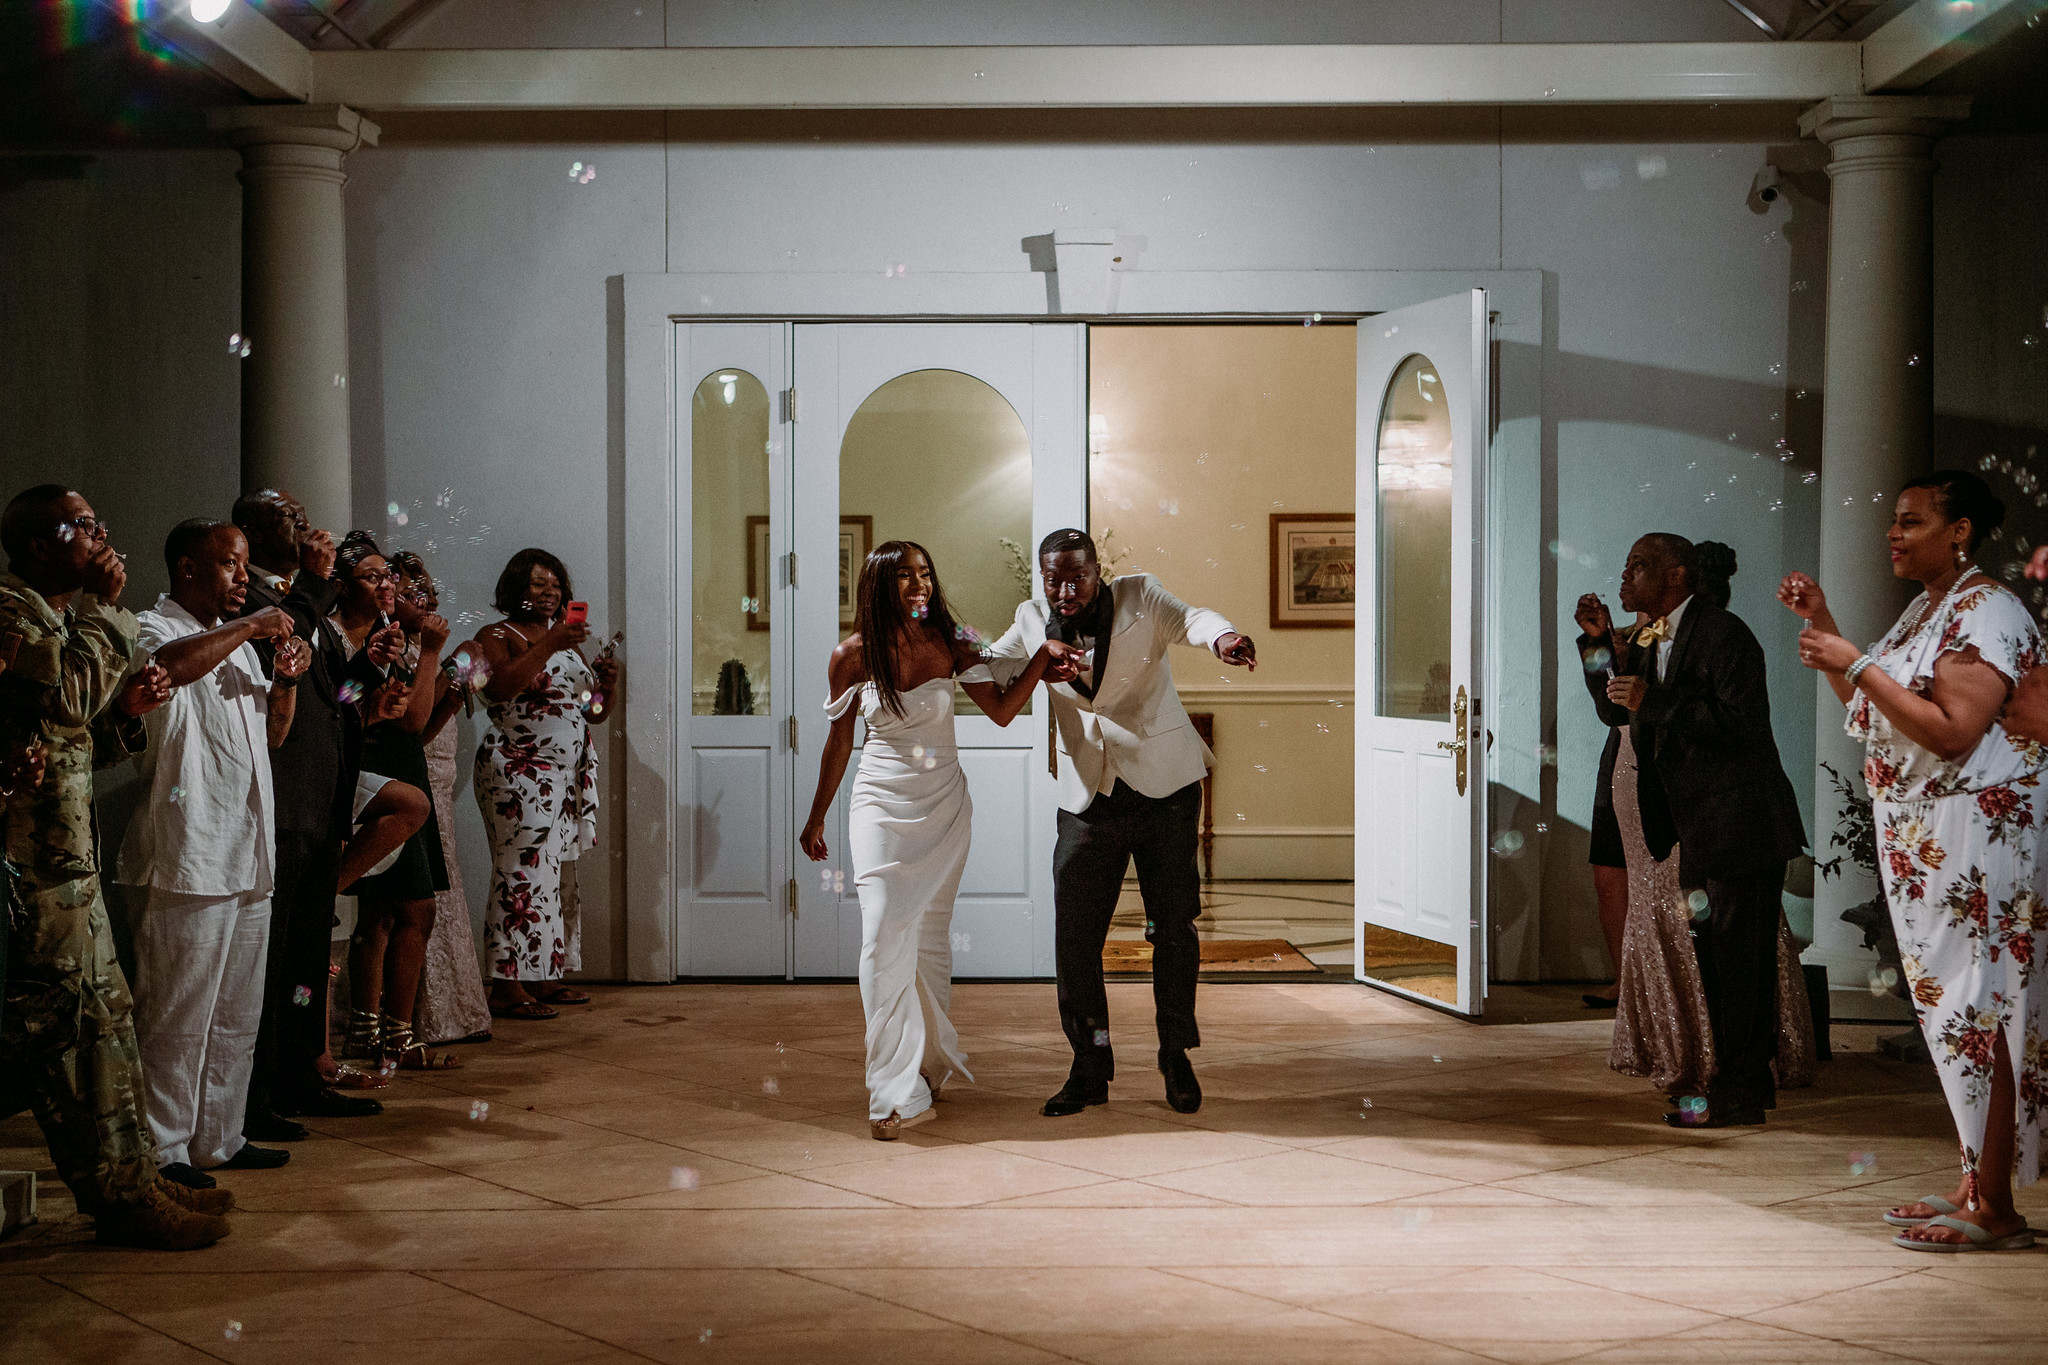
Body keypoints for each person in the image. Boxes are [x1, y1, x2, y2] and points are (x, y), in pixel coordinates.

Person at [1782, 470, 2044, 1252]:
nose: (1893, 533)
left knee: (1986, 1009)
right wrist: (1831, 634)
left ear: (1959, 530)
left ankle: (1996, 1204)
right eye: (1893, 521)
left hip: (1979, 845)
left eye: (1912, 521)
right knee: (1956, 1013)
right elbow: (1876, 715)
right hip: (1935, 843)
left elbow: (1954, 729)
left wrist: (1856, 659)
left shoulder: (1986, 607)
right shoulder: (1931, 607)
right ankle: (1974, 1179)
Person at [0, 486, 234, 1248]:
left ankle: (133, 1172)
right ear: (39, 545)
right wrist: (107, 610)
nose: (103, 536)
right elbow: (67, 698)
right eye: (85, 525)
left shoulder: (60, 619)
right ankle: (117, 1199)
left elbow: (76, 741)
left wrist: (127, 711)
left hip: (69, 858)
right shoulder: (13, 610)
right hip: (30, 871)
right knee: (72, 1030)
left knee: (108, 1017)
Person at [799, 541, 1070, 1139]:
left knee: (928, 941)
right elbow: (839, 742)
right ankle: (892, 1090)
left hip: (945, 806)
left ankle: (926, 1066)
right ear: (878, 584)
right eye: (904, 576)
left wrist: (1042, 662)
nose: (919, 584)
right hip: (880, 806)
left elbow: (1000, 710)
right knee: (881, 937)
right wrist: (816, 816)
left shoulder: (954, 639)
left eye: (925, 573)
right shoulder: (852, 655)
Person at [986, 529, 1256, 1118]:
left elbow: (1194, 619)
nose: (1063, 590)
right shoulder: (1030, 618)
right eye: (1052, 578)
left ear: (1097, 569)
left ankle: (1175, 1055)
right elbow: (986, 665)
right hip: (1089, 798)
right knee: (1076, 937)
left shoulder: (1142, 596)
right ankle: (1089, 1065)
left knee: (1173, 929)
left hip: (1166, 791)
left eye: (1076, 576)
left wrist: (1225, 637)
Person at [1580, 532, 1805, 1128]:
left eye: (1639, 566)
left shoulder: (1725, 636)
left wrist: (1655, 703)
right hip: (1698, 827)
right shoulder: (1653, 636)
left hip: (1741, 825)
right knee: (1716, 959)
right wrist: (1597, 644)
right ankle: (1731, 1083)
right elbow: (1613, 707)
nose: (1626, 576)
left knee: (1738, 964)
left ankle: (1740, 1089)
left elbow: (1741, 724)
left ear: (1676, 576)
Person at [117, 518, 307, 1188]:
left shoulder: (243, 647)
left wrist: (283, 679)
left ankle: (218, 1138)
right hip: (187, 851)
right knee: (176, 1011)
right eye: (229, 563)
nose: (241, 577)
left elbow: (275, 736)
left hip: (247, 850)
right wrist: (253, 629)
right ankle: (164, 1147)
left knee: (234, 1011)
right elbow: (164, 671)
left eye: (245, 564)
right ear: (188, 566)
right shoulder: (153, 626)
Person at [230, 489, 390, 1130]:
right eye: (282, 515)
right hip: (284, 797)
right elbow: (280, 644)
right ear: (248, 530)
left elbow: (334, 694)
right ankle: (259, 1091)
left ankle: (301, 1074)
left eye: (300, 513)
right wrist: (319, 582)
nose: (300, 523)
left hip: (321, 797)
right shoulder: (253, 599)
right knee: (275, 954)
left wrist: (367, 671)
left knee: (303, 956)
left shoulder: (304, 600)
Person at [329, 532, 461, 1071]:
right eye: (376, 577)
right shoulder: (336, 639)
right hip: (371, 782)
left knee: (405, 912)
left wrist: (446, 697)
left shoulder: (388, 637)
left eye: (391, 578)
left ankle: (385, 1034)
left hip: (403, 772)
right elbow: (351, 708)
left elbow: (415, 727)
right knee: (394, 913)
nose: (389, 586)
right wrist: (430, 651)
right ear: (343, 585)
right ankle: (380, 1035)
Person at [471, 548, 616, 1018]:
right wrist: (550, 644)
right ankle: (506, 985)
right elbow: (498, 687)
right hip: (518, 770)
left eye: (556, 583)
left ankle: (544, 976)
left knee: (554, 877)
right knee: (519, 871)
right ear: (516, 590)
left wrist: (606, 686)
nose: (551, 590)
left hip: (564, 777)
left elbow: (590, 711)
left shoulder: (569, 645)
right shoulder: (496, 635)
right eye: (538, 583)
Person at [390, 550, 493, 1047]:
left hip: (442, 778)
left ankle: (454, 1009)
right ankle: (417, 1017)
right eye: (412, 592)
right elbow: (412, 733)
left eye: (428, 589)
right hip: (415, 774)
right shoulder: (395, 652)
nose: (426, 599)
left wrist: (455, 695)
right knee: (419, 899)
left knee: (444, 892)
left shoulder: (423, 650)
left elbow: (433, 722)